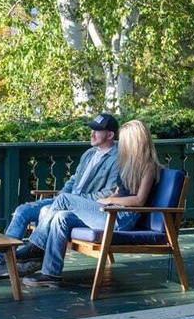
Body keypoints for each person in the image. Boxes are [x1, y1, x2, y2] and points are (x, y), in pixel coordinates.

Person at [0, 112, 123, 278]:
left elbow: (110, 192)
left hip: (84, 208)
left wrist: (74, 200)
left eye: (97, 130)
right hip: (65, 200)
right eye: (92, 129)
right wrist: (64, 194)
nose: (91, 133)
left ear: (110, 135)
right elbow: (74, 179)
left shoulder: (116, 159)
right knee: (23, 210)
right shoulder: (90, 153)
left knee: (52, 208)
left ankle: (34, 249)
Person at [22, 119, 162, 288]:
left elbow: (139, 200)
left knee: (64, 199)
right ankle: (51, 275)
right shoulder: (127, 163)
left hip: (120, 219)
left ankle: (35, 247)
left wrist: (110, 200)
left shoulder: (148, 166)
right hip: (110, 211)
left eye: (124, 140)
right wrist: (113, 195)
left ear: (135, 141)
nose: (121, 143)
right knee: (60, 217)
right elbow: (121, 190)